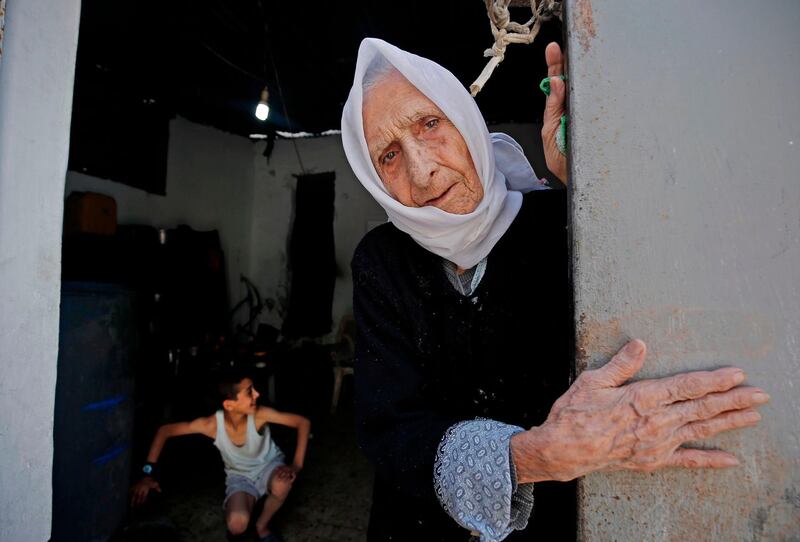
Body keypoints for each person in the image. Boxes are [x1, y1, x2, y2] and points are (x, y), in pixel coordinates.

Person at [341, 38, 769, 541]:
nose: (421, 169)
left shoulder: (557, 226)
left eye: (430, 124)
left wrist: (589, 189)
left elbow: (664, 284)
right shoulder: (380, 260)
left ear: (465, 118)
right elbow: (388, 428)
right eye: (388, 155)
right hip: (418, 527)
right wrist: (532, 456)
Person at [130, 368, 311, 541]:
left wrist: (297, 465)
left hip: (269, 467)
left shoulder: (260, 414)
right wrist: (147, 474)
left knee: (282, 484)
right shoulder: (211, 425)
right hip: (240, 477)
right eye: (249, 392)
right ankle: (246, 505)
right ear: (229, 404)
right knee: (236, 525)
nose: (257, 394)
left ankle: (262, 526)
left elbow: (302, 422)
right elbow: (165, 431)